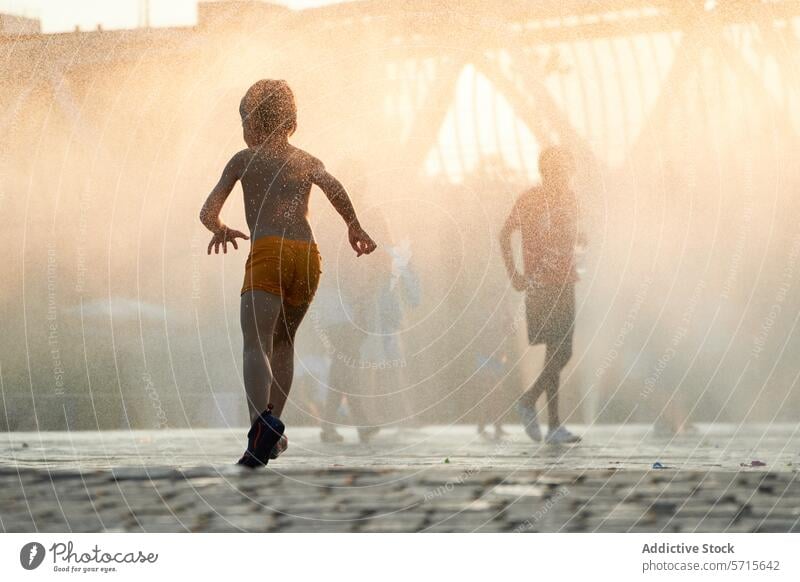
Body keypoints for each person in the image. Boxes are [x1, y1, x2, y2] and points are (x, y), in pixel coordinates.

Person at [199, 79, 377, 467]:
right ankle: (272, 428)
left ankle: (259, 427)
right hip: (307, 257)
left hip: (268, 251)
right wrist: (354, 225)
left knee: (254, 342)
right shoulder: (306, 160)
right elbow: (334, 188)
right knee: (284, 344)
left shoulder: (243, 160)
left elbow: (207, 210)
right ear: (289, 120)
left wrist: (219, 228)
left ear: (251, 120)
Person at [499, 146, 583, 445]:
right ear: (549, 171)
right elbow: (504, 233)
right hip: (541, 284)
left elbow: (573, 235)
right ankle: (535, 407)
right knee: (558, 351)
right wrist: (515, 275)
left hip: (565, 281)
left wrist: (579, 241)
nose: (568, 175)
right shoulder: (531, 199)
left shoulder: (569, 199)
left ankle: (550, 420)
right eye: (563, 169)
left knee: (560, 352)